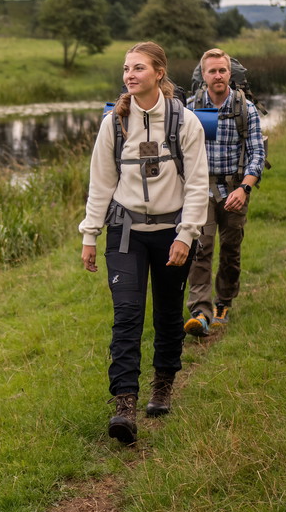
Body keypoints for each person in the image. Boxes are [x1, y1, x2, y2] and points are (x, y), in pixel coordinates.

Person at [79, 42, 209, 445]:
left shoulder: (185, 122)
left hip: (172, 232)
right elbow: (101, 183)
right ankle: (124, 405)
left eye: (138, 68)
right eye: (125, 68)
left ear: (159, 72)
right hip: (125, 232)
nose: (129, 75)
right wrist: (89, 234)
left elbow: (199, 184)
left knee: (169, 314)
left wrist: (187, 234)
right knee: (128, 316)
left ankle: (163, 386)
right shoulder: (114, 124)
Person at [183, 48, 266, 337]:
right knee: (199, 248)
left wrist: (245, 188)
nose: (217, 76)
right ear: (203, 75)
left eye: (222, 70)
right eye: (212, 71)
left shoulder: (246, 109)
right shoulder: (190, 108)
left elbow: (257, 153)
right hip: (200, 189)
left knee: (231, 250)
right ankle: (200, 312)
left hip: (235, 188)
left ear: (229, 73)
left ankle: (224, 301)